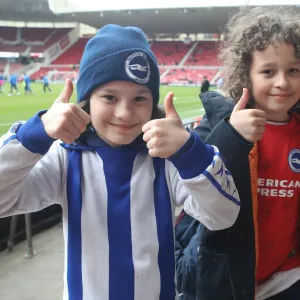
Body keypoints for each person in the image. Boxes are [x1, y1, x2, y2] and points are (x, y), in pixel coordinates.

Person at [0, 24, 240, 300]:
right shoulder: (65, 155)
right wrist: (33, 134)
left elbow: (223, 216)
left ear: (153, 104)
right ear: (87, 100)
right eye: (110, 97)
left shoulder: (169, 159)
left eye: (140, 98)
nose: (125, 113)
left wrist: (190, 151)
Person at [175, 6, 300, 300]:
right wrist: (231, 134)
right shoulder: (219, 124)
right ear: (246, 75)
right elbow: (194, 183)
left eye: (293, 70)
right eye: (268, 71)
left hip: (287, 277)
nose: (283, 82)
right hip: (226, 277)